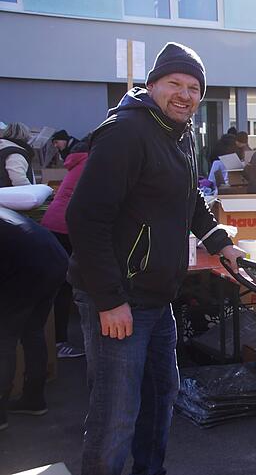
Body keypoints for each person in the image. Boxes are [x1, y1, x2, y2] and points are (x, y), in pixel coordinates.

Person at [66, 42, 244, 475]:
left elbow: (191, 200)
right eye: (175, 83)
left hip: (156, 297)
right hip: (119, 299)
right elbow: (85, 219)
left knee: (162, 397)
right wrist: (109, 300)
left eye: (194, 88)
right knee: (116, 414)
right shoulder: (127, 132)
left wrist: (220, 241)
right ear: (153, 84)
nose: (185, 94)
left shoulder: (176, 135)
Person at [0, 207, 69, 431]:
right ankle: (33, 398)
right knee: (32, 330)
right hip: (54, 259)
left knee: (4, 339)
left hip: (30, 267)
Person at [40, 140, 90, 359]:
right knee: (68, 285)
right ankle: (59, 342)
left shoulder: (80, 160)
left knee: (62, 286)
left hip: (54, 224)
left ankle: (55, 341)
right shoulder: (94, 161)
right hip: (68, 227)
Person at [0, 122, 35, 187]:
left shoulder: (3, 147)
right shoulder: (15, 153)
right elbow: (19, 180)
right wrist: (34, 192)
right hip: (11, 195)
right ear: (25, 135)